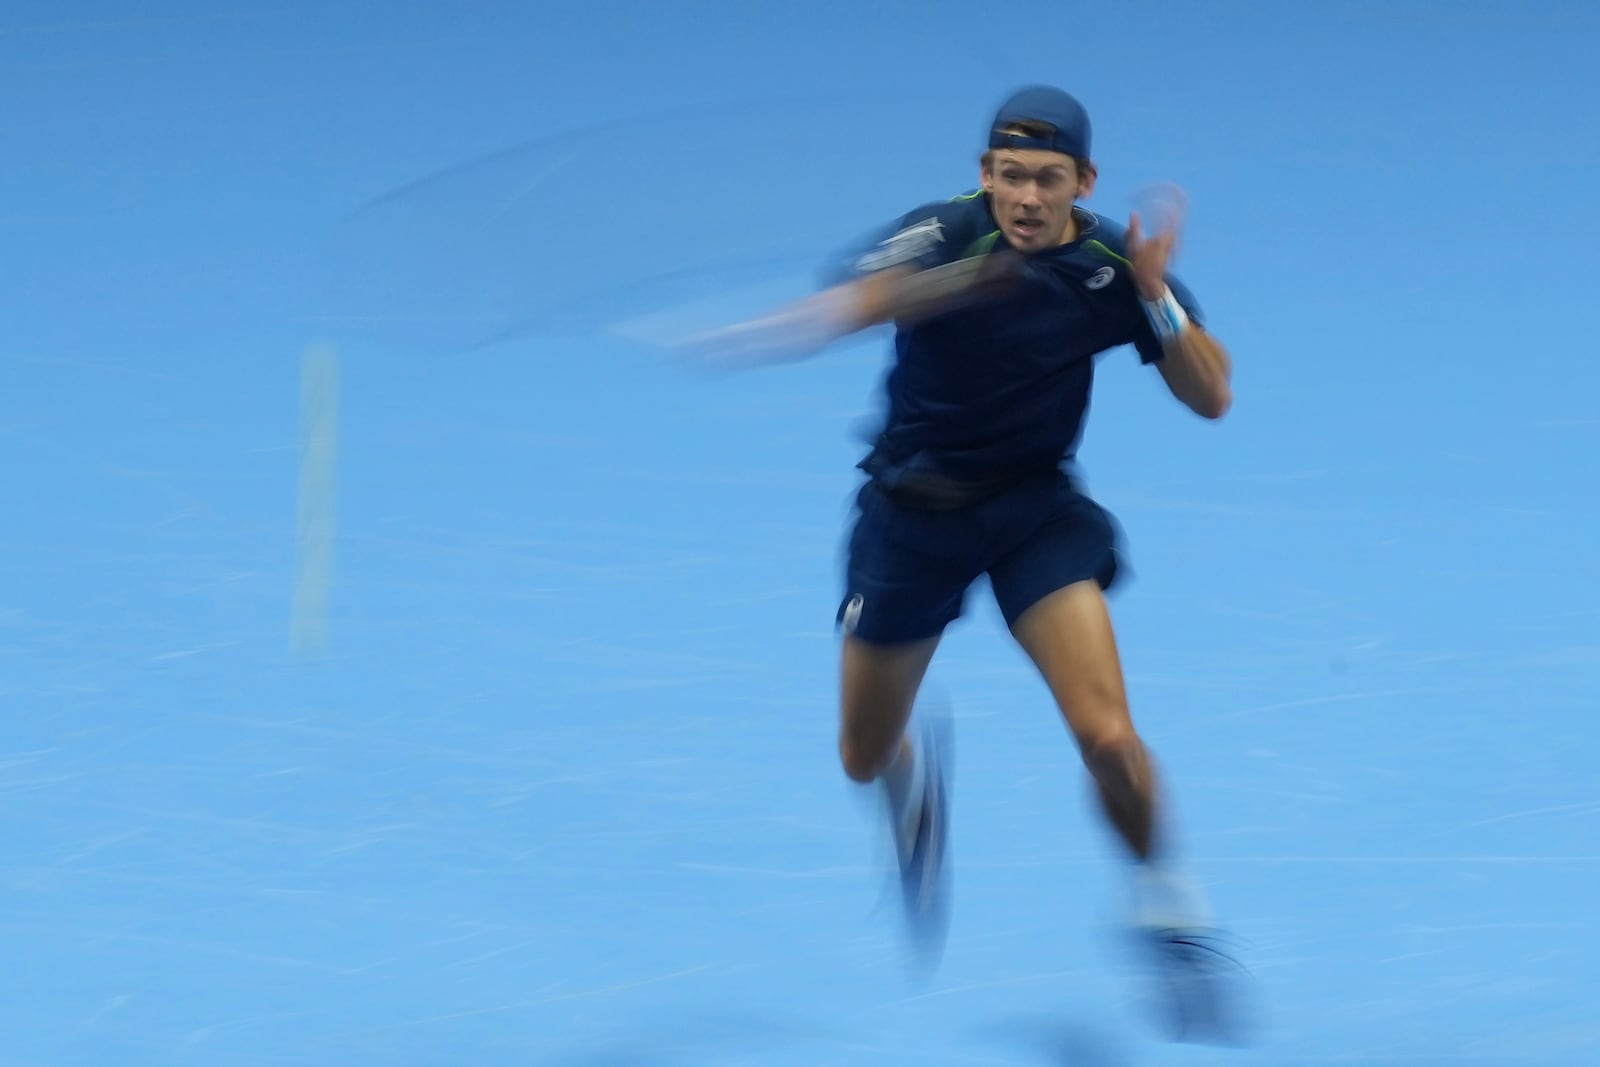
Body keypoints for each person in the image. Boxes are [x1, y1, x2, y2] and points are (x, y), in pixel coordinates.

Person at [690, 85, 1246, 1042]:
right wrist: (839, 312)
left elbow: (1212, 397)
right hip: (913, 517)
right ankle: (916, 788)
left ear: (1084, 182)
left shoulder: (1115, 266)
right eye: (1011, 176)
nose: (1028, 198)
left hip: (1034, 513)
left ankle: (1168, 908)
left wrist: (1155, 299)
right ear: (986, 175)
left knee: (1110, 739)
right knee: (863, 755)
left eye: (1050, 179)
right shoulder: (938, 235)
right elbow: (855, 299)